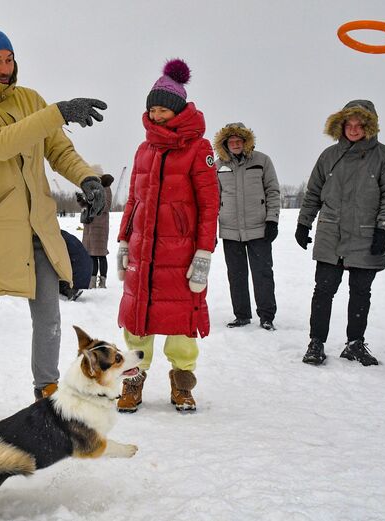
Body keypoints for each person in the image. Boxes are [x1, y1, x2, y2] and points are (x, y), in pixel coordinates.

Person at [0, 27, 107, 436]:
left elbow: (58, 150)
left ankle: (47, 392)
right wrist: (57, 112)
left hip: (38, 227)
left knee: (49, 318)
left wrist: (86, 178)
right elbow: (0, 143)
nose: (4, 68)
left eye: (8, 59)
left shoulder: (30, 100)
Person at [116, 59, 219, 413]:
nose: (156, 115)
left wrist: (203, 253)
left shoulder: (198, 149)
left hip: (181, 254)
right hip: (144, 251)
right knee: (137, 322)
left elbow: (209, 206)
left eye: (163, 109)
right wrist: (123, 241)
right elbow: (133, 200)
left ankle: (182, 383)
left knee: (181, 325)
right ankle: (132, 381)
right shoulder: (144, 149)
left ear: (177, 111)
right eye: (152, 109)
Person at [296, 100, 385, 366]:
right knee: (323, 290)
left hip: (366, 235)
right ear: (340, 126)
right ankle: (316, 342)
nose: (353, 130)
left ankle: (355, 344)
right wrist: (303, 223)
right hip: (331, 234)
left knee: (360, 292)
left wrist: (383, 228)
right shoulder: (329, 156)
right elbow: (313, 193)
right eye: (348, 124)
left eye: (360, 125)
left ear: (370, 127)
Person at [214, 122, 280, 330]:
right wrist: (210, 229)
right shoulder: (218, 166)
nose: (235, 144)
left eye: (238, 140)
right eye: (231, 141)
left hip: (258, 228)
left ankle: (267, 316)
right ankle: (241, 314)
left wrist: (272, 220)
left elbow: (272, 191)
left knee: (262, 273)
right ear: (225, 144)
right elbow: (213, 199)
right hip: (230, 230)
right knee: (236, 274)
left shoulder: (262, 161)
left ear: (245, 142)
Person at [80, 169, 114, 289]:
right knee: (92, 254)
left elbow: (106, 206)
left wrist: (93, 205)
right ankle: (92, 281)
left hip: (100, 226)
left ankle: (102, 281)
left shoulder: (105, 188)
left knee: (101, 254)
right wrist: (83, 202)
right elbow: (86, 205)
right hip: (90, 226)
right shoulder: (91, 188)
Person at [58, 230, 93, 301]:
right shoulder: (65, 235)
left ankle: (71, 289)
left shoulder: (58, 238)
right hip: (87, 265)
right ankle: (73, 288)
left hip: (78, 267)